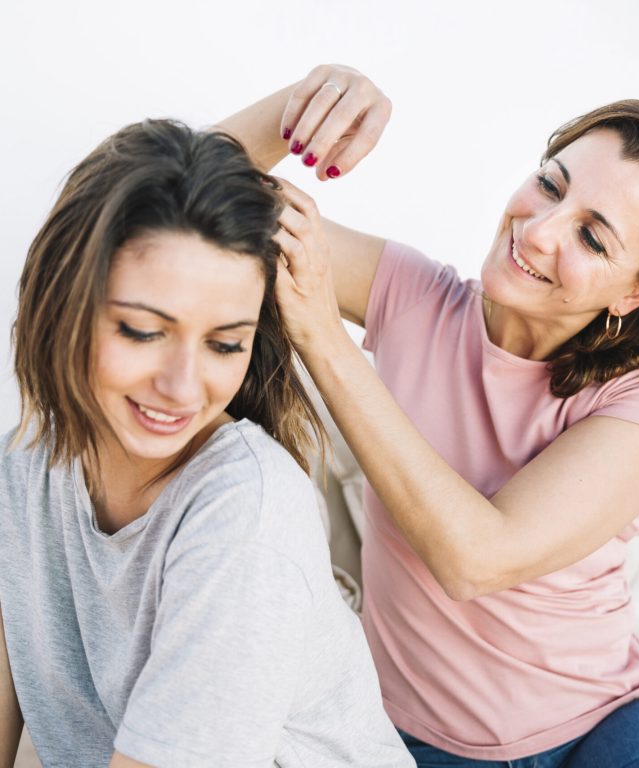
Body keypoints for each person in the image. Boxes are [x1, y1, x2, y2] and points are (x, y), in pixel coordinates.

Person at [219, 65, 639, 767]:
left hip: (611, 722)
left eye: (593, 239)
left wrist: (321, 333)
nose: (537, 232)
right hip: (414, 737)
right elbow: (180, 189)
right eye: (551, 184)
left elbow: (478, 558)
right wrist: (298, 107)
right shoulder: (414, 298)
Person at [0, 118, 416, 768]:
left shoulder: (246, 511)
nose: (183, 388)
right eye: (142, 331)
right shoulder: (24, 466)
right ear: (64, 300)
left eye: (226, 345)